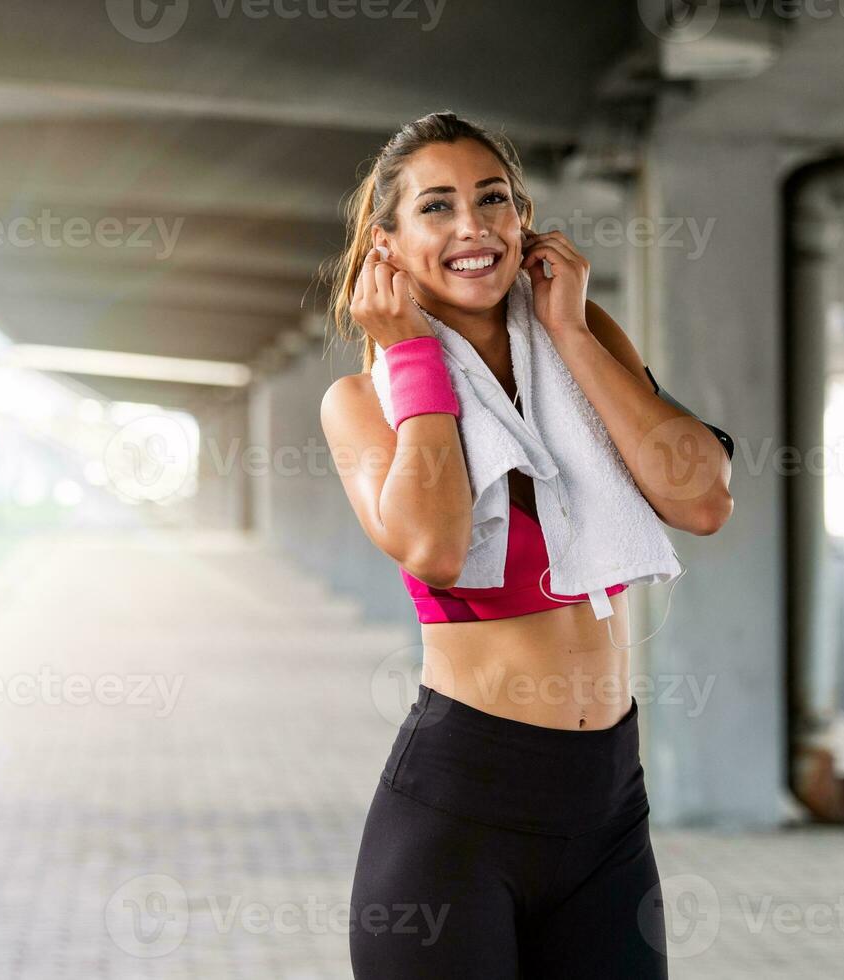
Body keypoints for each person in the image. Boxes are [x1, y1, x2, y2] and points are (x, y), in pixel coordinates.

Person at [319, 111, 733, 979]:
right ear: (386, 245)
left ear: (524, 219)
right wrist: (411, 361)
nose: (473, 226)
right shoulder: (361, 401)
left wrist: (574, 334)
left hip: (608, 809)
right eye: (437, 207)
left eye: (492, 199)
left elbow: (700, 499)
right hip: (460, 815)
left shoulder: (585, 341)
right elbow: (433, 546)